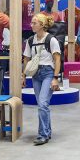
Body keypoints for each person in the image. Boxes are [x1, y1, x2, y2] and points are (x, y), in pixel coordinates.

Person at [23, 13, 62, 146]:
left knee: (43, 104)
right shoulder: (30, 40)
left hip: (48, 73)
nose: (31, 25)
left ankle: (42, 135)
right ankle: (47, 131)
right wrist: (23, 76)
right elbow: (26, 59)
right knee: (42, 104)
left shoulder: (51, 40)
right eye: (32, 23)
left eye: (34, 23)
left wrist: (55, 78)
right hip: (36, 74)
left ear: (42, 25)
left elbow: (57, 60)